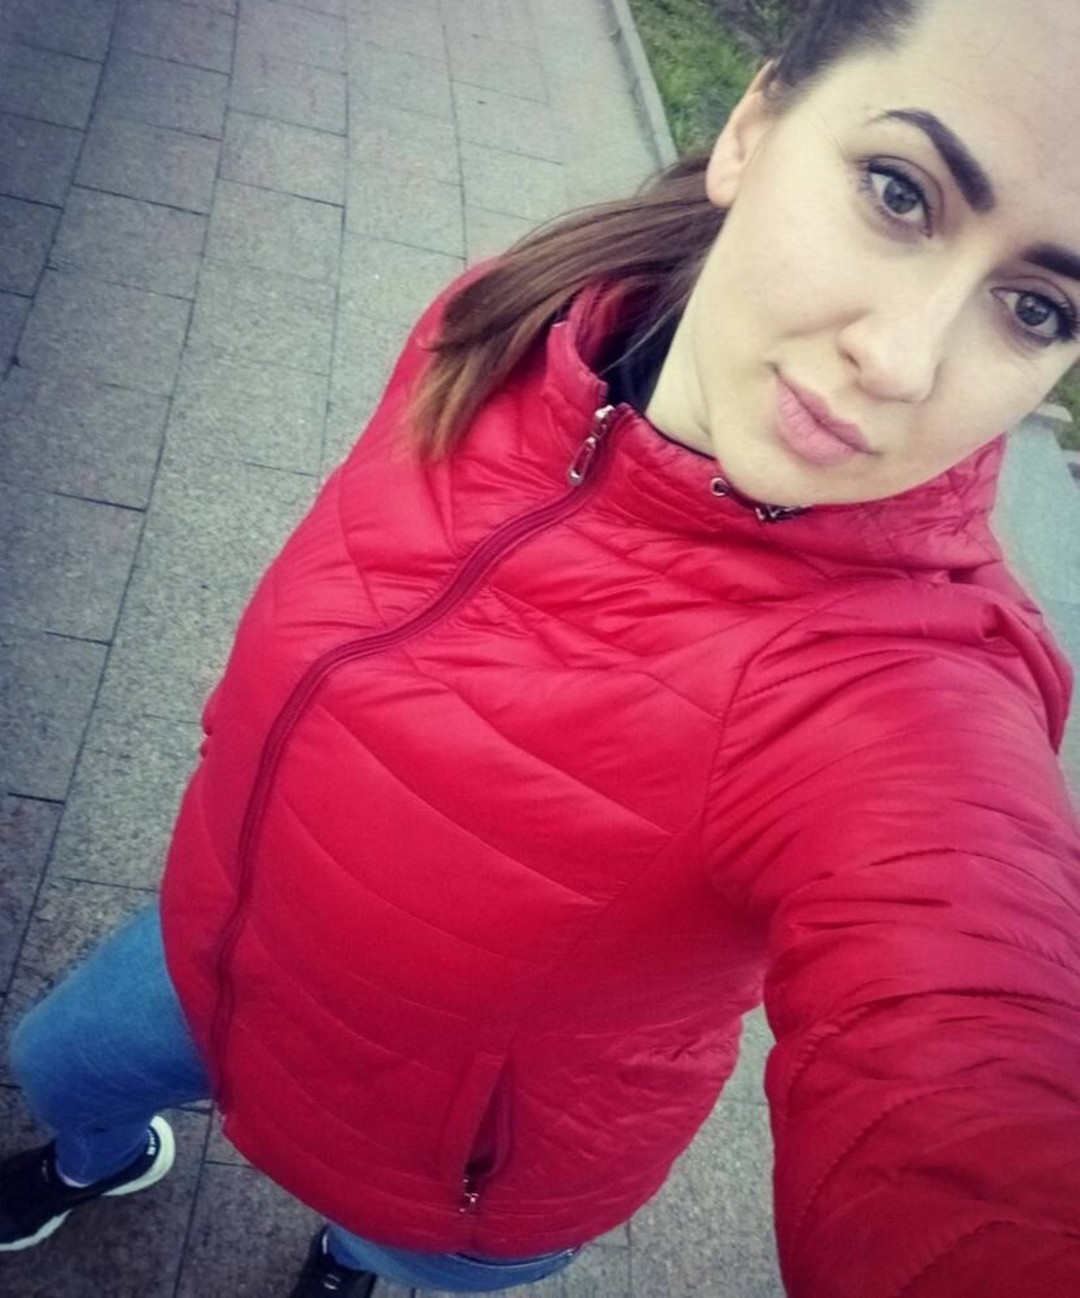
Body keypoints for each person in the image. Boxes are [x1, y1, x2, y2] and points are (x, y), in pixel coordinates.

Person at [3, 0, 1080, 1292]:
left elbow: (972, 1073)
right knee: (59, 1065)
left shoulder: (905, 689)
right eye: (899, 192)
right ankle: (101, 1158)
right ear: (755, 128)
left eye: (1036, 307)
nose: (901, 361)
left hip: (459, 1169)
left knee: (386, 1244)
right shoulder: (515, 321)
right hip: (216, 941)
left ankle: (352, 1261)